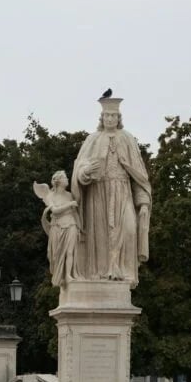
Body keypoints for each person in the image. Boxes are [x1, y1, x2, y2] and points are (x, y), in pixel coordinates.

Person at [71, 96, 152, 287]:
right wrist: (85, 173)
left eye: (113, 115)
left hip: (123, 191)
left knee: (129, 228)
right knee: (101, 234)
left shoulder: (127, 139)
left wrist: (143, 203)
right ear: (102, 117)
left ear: (118, 117)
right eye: (106, 115)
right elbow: (79, 167)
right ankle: (102, 273)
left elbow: (139, 174)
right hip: (99, 193)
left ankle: (123, 272)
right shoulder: (93, 139)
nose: (110, 119)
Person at [34, 170, 81, 287]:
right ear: (59, 181)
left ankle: (69, 276)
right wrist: (70, 204)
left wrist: (80, 228)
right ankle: (62, 276)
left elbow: (75, 213)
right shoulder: (51, 196)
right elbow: (54, 210)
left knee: (71, 252)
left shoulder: (70, 195)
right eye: (65, 178)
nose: (67, 179)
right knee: (58, 254)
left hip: (71, 223)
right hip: (57, 227)